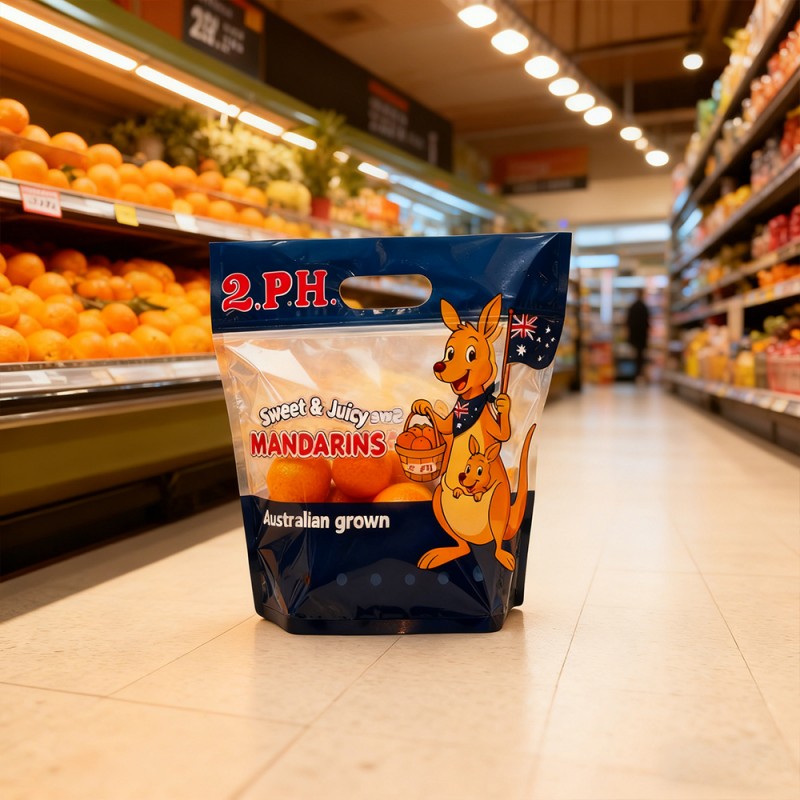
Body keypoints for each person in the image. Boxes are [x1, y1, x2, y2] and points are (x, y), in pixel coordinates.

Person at [626, 288, 650, 383]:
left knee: (634, 355)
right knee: (640, 356)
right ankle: (639, 374)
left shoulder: (633, 306)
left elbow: (628, 321)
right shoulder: (644, 306)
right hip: (642, 336)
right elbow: (647, 323)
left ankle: (634, 374)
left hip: (634, 335)